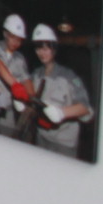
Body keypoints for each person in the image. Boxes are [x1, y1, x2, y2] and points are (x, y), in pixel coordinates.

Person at [27, 24, 95, 159]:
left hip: (64, 144)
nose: (42, 52)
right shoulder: (35, 75)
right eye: (39, 48)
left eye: (47, 48)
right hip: (42, 138)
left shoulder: (69, 77)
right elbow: (32, 99)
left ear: (54, 49)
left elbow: (86, 108)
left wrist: (61, 113)